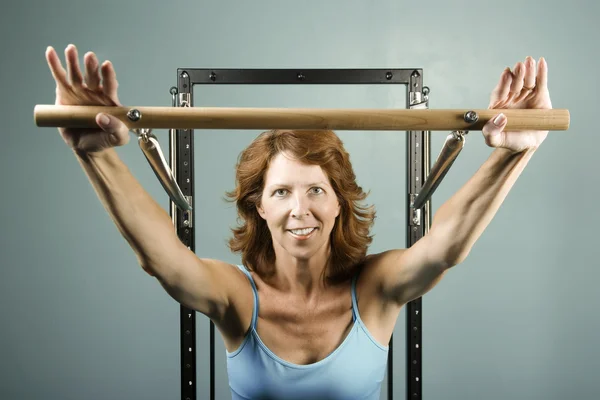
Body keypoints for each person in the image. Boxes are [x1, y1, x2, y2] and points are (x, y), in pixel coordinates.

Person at [45, 44, 552, 400]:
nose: (299, 209)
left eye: (316, 190)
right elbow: (165, 262)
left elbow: (444, 248)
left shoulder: (375, 288)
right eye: (281, 192)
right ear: (259, 207)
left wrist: (515, 154)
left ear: (338, 203)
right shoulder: (236, 297)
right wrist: (98, 157)